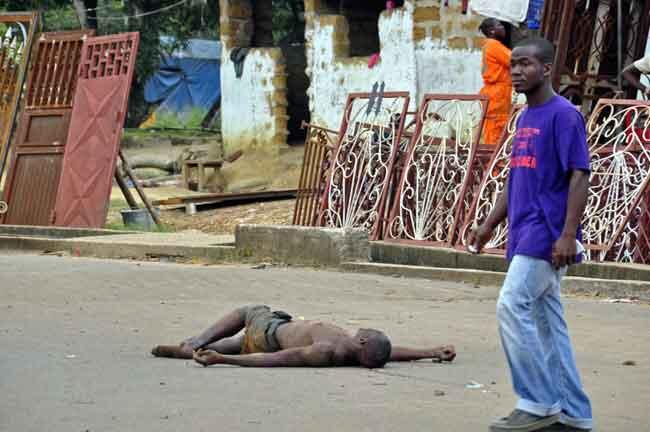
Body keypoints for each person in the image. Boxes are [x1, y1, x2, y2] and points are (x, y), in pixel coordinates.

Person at [468, 37, 593, 432]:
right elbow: (516, 176)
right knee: (547, 325)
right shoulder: (525, 119)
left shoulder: (564, 115)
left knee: (511, 304)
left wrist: (568, 234)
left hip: (548, 235)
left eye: (525, 64)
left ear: (547, 69)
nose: (517, 72)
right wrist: (489, 224)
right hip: (524, 232)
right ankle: (575, 414)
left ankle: (537, 402)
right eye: (513, 65)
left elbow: (580, 174)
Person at [151, 305, 456, 368]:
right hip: (264, 338)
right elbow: (390, 352)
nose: (364, 329)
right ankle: (180, 350)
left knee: (247, 310)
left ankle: (197, 342)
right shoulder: (356, 351)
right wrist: (430, 351)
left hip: (267, 331)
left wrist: (224, 360)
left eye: (368, 332)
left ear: (363, 341)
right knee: (227, 345)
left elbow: (277, 358)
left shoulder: (326, 351)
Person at [479, 18, 513, 146]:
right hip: (497, 93)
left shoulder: (490, 45)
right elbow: (513, 60)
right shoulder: (493, 45)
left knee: (497, 130)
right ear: (492, 30)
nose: (503, 27)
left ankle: (494, 162)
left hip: (497, 92)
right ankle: (495, 164)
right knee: (496, 130)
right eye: (499, 25)